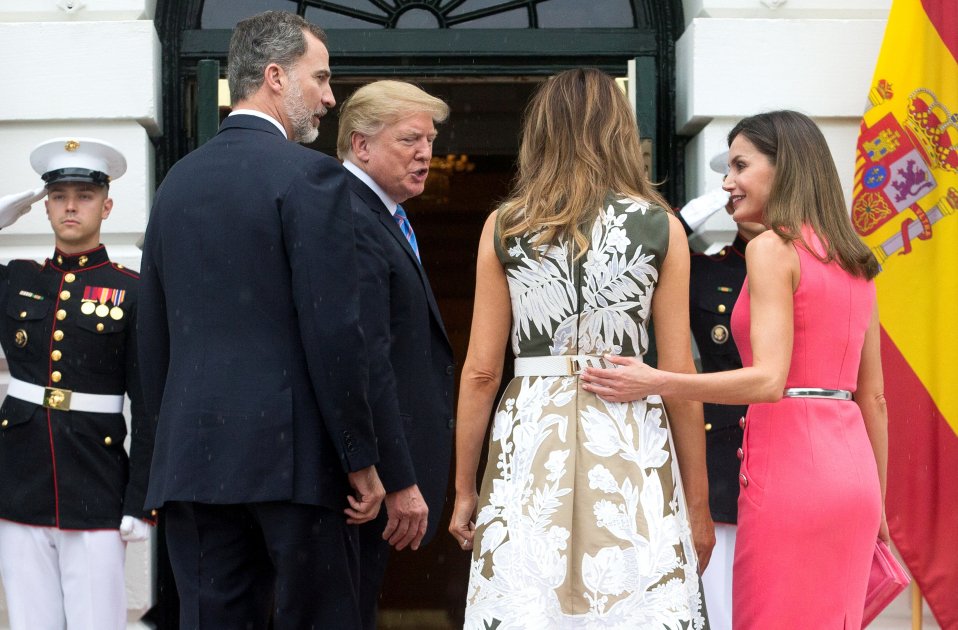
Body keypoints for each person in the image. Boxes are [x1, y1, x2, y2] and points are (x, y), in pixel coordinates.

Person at [581, 110, 887, 628]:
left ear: (784, 167)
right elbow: (873, 398)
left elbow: (769, 380)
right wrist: (877, 504)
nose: (727, 183)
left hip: (791, 469)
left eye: (740, 166)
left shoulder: (771, 247)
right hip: (856, 479)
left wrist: (655, 381)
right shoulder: (855, 258)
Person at [138, 11, 385, 629]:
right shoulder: (310, 176)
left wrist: (159, 462)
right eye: (320, 78)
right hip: (293, 466)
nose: (330, 97)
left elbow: (153, 337)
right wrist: (359, 457)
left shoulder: (176, 183)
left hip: (192, 465)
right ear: (275, 76)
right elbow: (334, 332)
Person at [448, 68, 713, 629]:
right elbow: (679, 374)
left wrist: (464, 488)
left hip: (532, 434)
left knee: (531, 598)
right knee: (629, 596)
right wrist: (698, 505)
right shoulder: (661, 226)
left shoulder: (505, 225)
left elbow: (480, 374)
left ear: (541, 133)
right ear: (619, 132)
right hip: (628, 430)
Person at [0, 137, 155, 630]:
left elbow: (149, 405)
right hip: (19, 482)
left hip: (96, 482)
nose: (70, 206)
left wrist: (141, 500)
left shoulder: (133, 292)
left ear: (106, 206)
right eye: (59, 196)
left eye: (84, 196)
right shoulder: (17, 280)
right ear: (45, 206)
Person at [336, 80, 455, 629]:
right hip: (362, 481)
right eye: (410, 139)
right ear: (361, 145)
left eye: (430, 140)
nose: (425, 153)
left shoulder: (380, 213)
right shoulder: (351, 215)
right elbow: (364, 358)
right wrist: (396, 475)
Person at [678, 153, 764, 630]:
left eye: (742, 175)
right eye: (728, 180)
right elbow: (643, 262)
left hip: (794, 454)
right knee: (724, 608)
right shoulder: (706, 271)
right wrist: (690, 217)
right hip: (726, 463)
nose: (733, 186)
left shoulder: (815, 263)